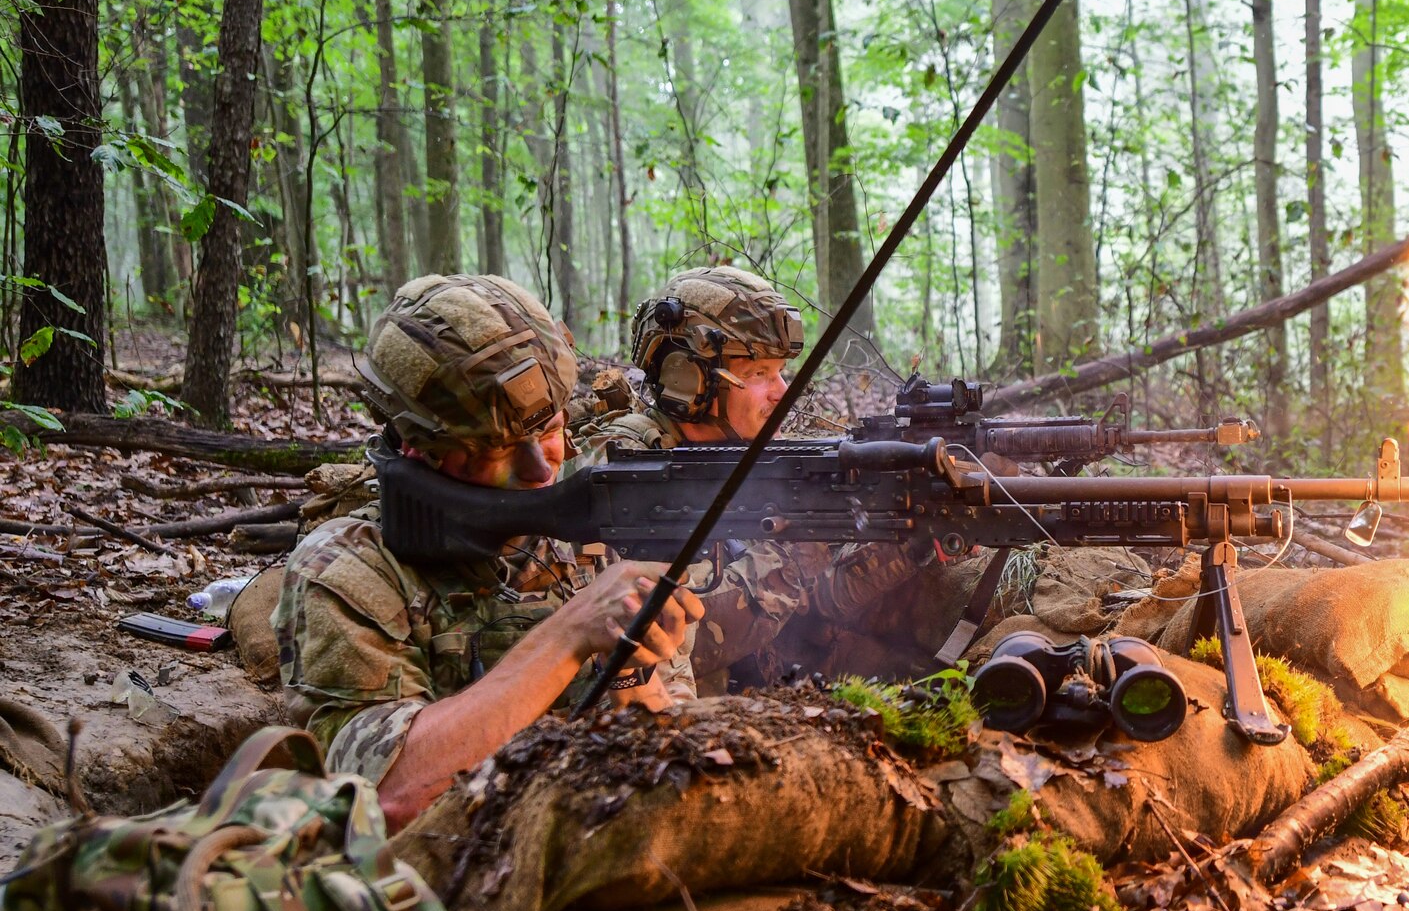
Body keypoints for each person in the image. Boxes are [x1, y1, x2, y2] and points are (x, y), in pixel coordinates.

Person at [274, 274, 702, 830]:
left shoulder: (597, 527)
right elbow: (392, 795)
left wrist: (627, 668)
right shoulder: (348, 569)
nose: (542, 467)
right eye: (497, 448)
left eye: (549, 427)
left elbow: (673, 753)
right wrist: (572, 631)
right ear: (418, 448)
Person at [582, 266, 926, 692]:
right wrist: (794, 561)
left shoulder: (740, 454)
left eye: (780, 371)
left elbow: (815, 602)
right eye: (759, 374)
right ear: (687, 380)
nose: (783, 391)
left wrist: (915, 539)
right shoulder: (624, 475)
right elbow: (655, 655)